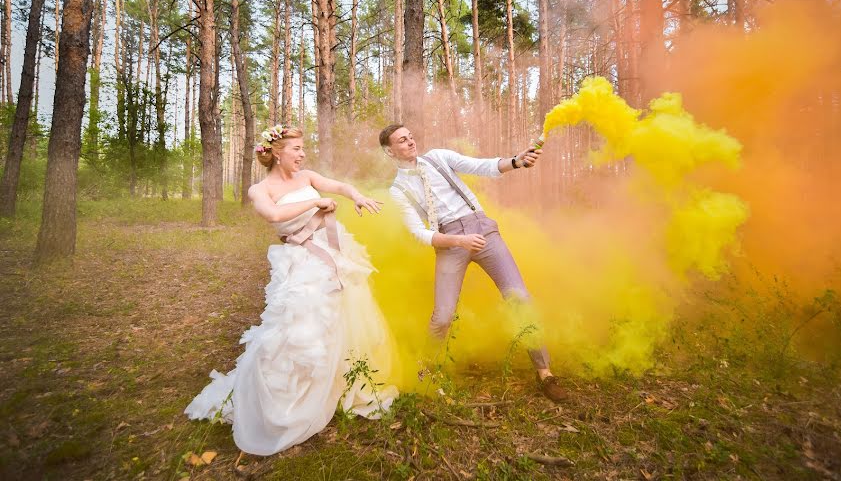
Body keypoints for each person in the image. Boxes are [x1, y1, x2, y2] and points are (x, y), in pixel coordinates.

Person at [186, 125, 398, 456]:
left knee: (348, 314)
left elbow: (337, 185)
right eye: (296, 148)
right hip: (302, 260)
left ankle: (344, 382)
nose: (301, 154)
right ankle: (294, 395)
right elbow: (273, 214)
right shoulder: (260, 189)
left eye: (302, 149)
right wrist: (316, 205)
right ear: (277, 151)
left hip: (335, 249)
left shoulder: (308, 177)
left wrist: (354, 195)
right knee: (302, 326)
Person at [379, 124, 566, 402]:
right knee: (442, 316)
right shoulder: (397, 190)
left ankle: (545, 373)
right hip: (449, 241)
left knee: (519, 299)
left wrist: (516, 161)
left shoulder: (438, 157)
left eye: (410, 137)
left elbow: (483, 167)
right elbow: (419, 234)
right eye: (402, 140)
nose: (410, 142)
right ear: (389, 151)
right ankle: (426, 372)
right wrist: (458, 242)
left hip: (483, 230)